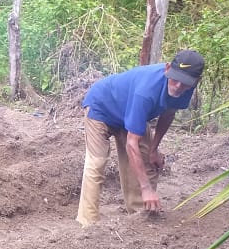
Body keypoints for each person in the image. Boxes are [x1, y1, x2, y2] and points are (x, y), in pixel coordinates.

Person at [76, 49, 204, 225]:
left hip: (130, 114)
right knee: (97, 162)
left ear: (196, 81)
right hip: (101, 107)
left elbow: (168, 113)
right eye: (175, 80)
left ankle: (139, 217)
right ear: (167, 69)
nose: (178, 86)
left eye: (185, 83)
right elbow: (131, 143)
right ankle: (87, 223)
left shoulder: (185, 87)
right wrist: (146, 188)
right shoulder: (146, 91)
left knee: (146, 162)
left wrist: (154, 149)